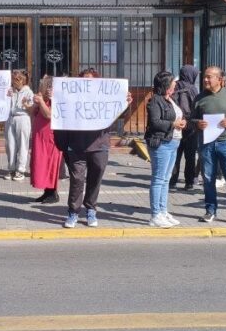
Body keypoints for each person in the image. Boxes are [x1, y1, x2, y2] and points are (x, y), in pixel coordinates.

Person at [55, 68, 134, 228]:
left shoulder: (105, 97)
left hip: (99, 145)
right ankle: (73, 212)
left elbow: (121, 114)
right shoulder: (71, 97)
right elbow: (60, 113)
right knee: (77, 180)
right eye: (84, 80)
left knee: (95, 179)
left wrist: (126, 103)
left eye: (90, 80)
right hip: (76, 146)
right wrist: (55, 97)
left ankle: (91, 209)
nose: (87, 83)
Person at [192, 66, 226, 225]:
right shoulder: (199, 98)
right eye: (205, 77)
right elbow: (191, 119)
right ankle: (210, 211)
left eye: (209, 77)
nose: (205, 80)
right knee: (208, 178)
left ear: (220, 79)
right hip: (206, 143)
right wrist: (197, 123)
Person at [144, 71, 185, 227]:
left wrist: (182, 122)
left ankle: (163, 210)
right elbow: (155, 122)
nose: (175, 84)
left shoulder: (170, 99)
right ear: (166, 84)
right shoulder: (155, 100)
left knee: (166, 179)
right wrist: (173, 124)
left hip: (173, 141)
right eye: (173, 82)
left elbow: (175, 116)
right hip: (161, 143)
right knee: (158, 179)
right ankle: (155, 215)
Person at [27, 76, 62, 204]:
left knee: (50, 164)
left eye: (47, 86)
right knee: (41, 164)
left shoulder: (56, 100)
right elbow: (32, 112)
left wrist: (41, 102)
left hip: (50, 139)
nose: (45, 88)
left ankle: (53, 193)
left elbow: (48, 115)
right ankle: (47, 192)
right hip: (40, 138)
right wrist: (33, 103)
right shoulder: (45, 99)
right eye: (44, 86)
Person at [169, 64, 200, 191]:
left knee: (175, 155)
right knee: (190, 155)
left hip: (176, 125)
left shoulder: (174, 86)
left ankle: (172, 181)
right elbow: (196, 107)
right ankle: (189, 182)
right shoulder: (193, 89)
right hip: (190, 126)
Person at [5, 69, 34, 181]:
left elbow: (32, 109)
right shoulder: (10, 90)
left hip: (22, 117)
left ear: (23, 80)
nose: (14, 82)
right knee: (10, 144)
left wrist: (25, 104)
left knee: (22, 144)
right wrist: (6, 96)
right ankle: (11, 168)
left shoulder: (28, 92)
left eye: (17, 80)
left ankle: (20, 170)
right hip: (10, 117)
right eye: (13, 79)